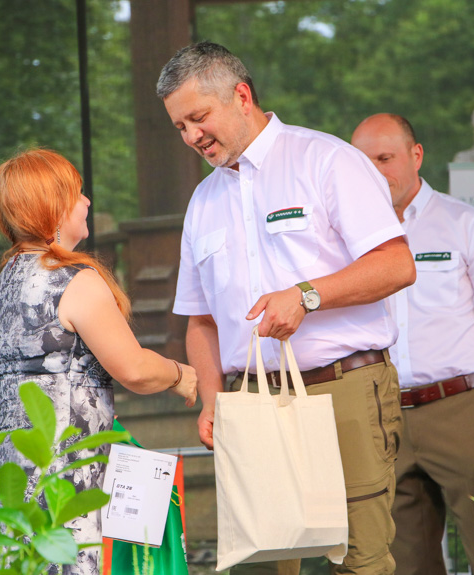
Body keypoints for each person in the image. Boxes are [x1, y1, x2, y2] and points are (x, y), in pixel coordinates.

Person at [158, 42, 416, 575]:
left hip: (340, 390)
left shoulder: (326, 159)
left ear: (243, 96)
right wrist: (212, 402)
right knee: (262, 562)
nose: (190, 137)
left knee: (360, 562)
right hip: (249, 403)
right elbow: (201, 320)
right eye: (179, 126)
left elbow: (396, 265)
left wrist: (306, 295)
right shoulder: (201, 202)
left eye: (199, 117)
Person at [0, 148, 198, 575]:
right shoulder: (73, 281)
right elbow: (134, 370)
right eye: (77, 193)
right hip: (57, 484)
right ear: (53, 209)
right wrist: (181, 374)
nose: (87, 201)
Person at [351, 114, 474, 575]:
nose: (376, 172)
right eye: (364, 162)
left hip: (462, 411)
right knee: (407, 565)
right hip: (382, 418)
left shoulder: (466, 225)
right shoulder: (345, 241)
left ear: (416, 156)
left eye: (386, 158)